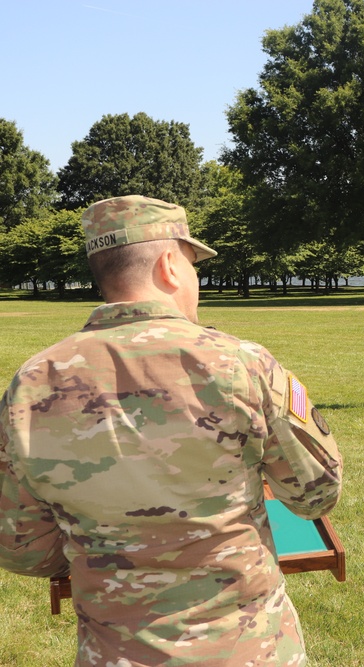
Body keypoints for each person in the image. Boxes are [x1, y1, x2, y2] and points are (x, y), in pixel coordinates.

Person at [0, 195, 343, 666]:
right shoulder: (243, 365)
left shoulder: (32, 383)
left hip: (114, 652)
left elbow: (19, 546)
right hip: (251, 649)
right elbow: (316, 493)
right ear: (169, 265)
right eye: (193, 264)